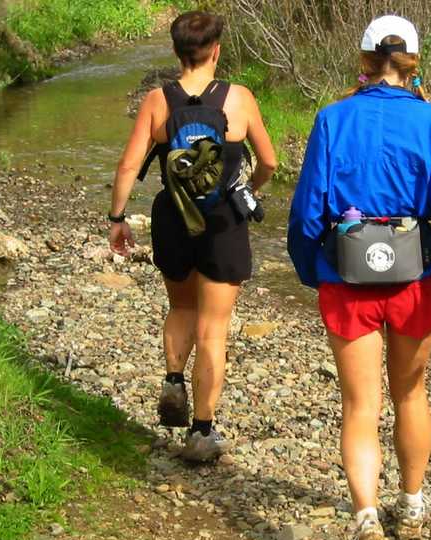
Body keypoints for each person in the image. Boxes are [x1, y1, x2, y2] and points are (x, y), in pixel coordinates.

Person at [287, 15, 431, 540]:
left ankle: (365, 517)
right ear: (414, 64)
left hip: (348, 281)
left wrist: (316, 272)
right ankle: (410, 503)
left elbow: (308, 211)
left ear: (364, 61)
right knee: (410, 392)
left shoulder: (332, 119)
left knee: (360, 406)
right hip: (417, 277)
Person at [108, 11, 277, 460]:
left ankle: (172, 380)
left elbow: (128, 166)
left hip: (173, 218)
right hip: (223, 221)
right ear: (216, 50)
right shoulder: (239, 99)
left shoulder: (157, 102)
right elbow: (270, 162)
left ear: (176, 51)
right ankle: (201, 432)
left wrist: (117, 218)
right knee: (214, 328)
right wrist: (249, 190)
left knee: (181, 305)